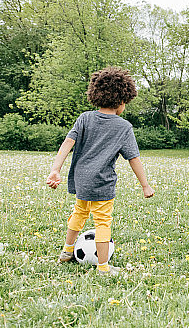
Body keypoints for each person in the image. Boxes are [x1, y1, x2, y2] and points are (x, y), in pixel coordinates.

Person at [46, 66, 155, 275]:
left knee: (79, 212)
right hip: (102, 182)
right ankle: (103, 267)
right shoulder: (124, 127)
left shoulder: (85, 118)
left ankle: (67, 252)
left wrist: (55, 169)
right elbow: (134, 159)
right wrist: (145, 185)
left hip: (81, 179)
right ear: (122, 100)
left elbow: (67, 143)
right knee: (103, 222)